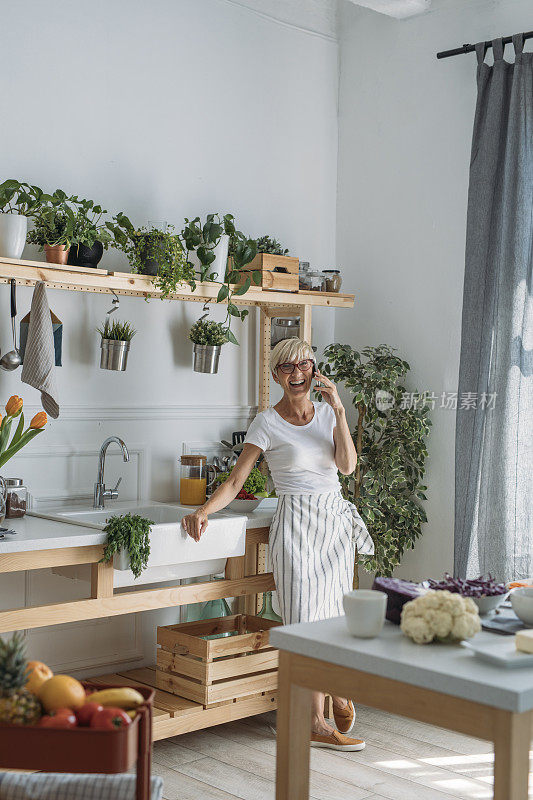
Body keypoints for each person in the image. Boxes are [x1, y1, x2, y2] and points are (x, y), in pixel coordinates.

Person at [182, 337, 374, 750]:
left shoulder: (327, 415)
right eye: (287, 368)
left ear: (314, 370)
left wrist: (340, 410)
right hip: (295, 527)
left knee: (333, 623)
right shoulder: (267, 423)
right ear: (276, 375)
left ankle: (332, 700)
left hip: (334, 527)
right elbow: (236, 480)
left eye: (304, 365)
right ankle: (318, 719)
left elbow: (346, 465)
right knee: (303, 623)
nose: (297, 373)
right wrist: (204, 511)